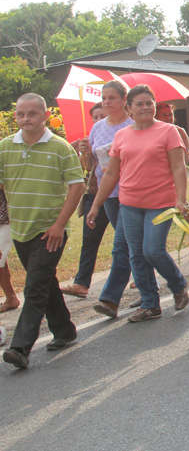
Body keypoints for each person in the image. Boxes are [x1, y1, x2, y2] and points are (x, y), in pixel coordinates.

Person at [88, 85, 189, 323]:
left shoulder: (168, 131)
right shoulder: (122, 136)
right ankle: (149, 304)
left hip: (160, 203)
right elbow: (111, 174)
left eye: (149, 103)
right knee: (136, 255)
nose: (145, 108)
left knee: (152, 250)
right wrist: (96, 205)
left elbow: (178, 167)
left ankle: (178, 285)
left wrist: (181, 199)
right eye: (139, 104)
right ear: (130, 108)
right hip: (129, 204)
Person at [1, 94, 84, 369]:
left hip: (50, 231)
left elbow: (77, 186)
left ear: (46, 116)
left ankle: (20, 348)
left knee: (34, 287)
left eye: (32, 113)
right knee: (44, 282)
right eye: (21, 114)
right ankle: (64, 330)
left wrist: (59, 225)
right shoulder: (5, 147)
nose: (26, 119)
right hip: (20, 230)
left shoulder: (60, 148)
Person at [86, 81, 135, 319]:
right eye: (104, 98)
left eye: (112, 97)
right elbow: (92, 164)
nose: (106, 102)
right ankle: (154, 286)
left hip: (131, 192)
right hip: (108, 194)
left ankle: (110, 299)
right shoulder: (97, 128)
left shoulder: (133, 126)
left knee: (121, 246)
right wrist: (85, 153)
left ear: (125, 100)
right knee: (133, 245)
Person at [59, 102, 108, 299]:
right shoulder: (90, 138)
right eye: (95, 117)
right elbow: (86, 169)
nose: (99, 120)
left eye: (102, 116)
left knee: (127, 241)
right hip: (94, 195)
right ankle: (81, 283)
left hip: (116, 196)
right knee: (89, 240)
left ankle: (140, 278)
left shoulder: (120, 133)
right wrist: (84, 153)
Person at [156, 102, 189, 252]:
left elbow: (186, 156)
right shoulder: (152, 132)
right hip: (157, 179)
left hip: (173, 177)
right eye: (164, 115)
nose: (168, 118)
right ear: (157, 116)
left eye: (170, 114)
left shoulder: (179, 131)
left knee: (182, 207)